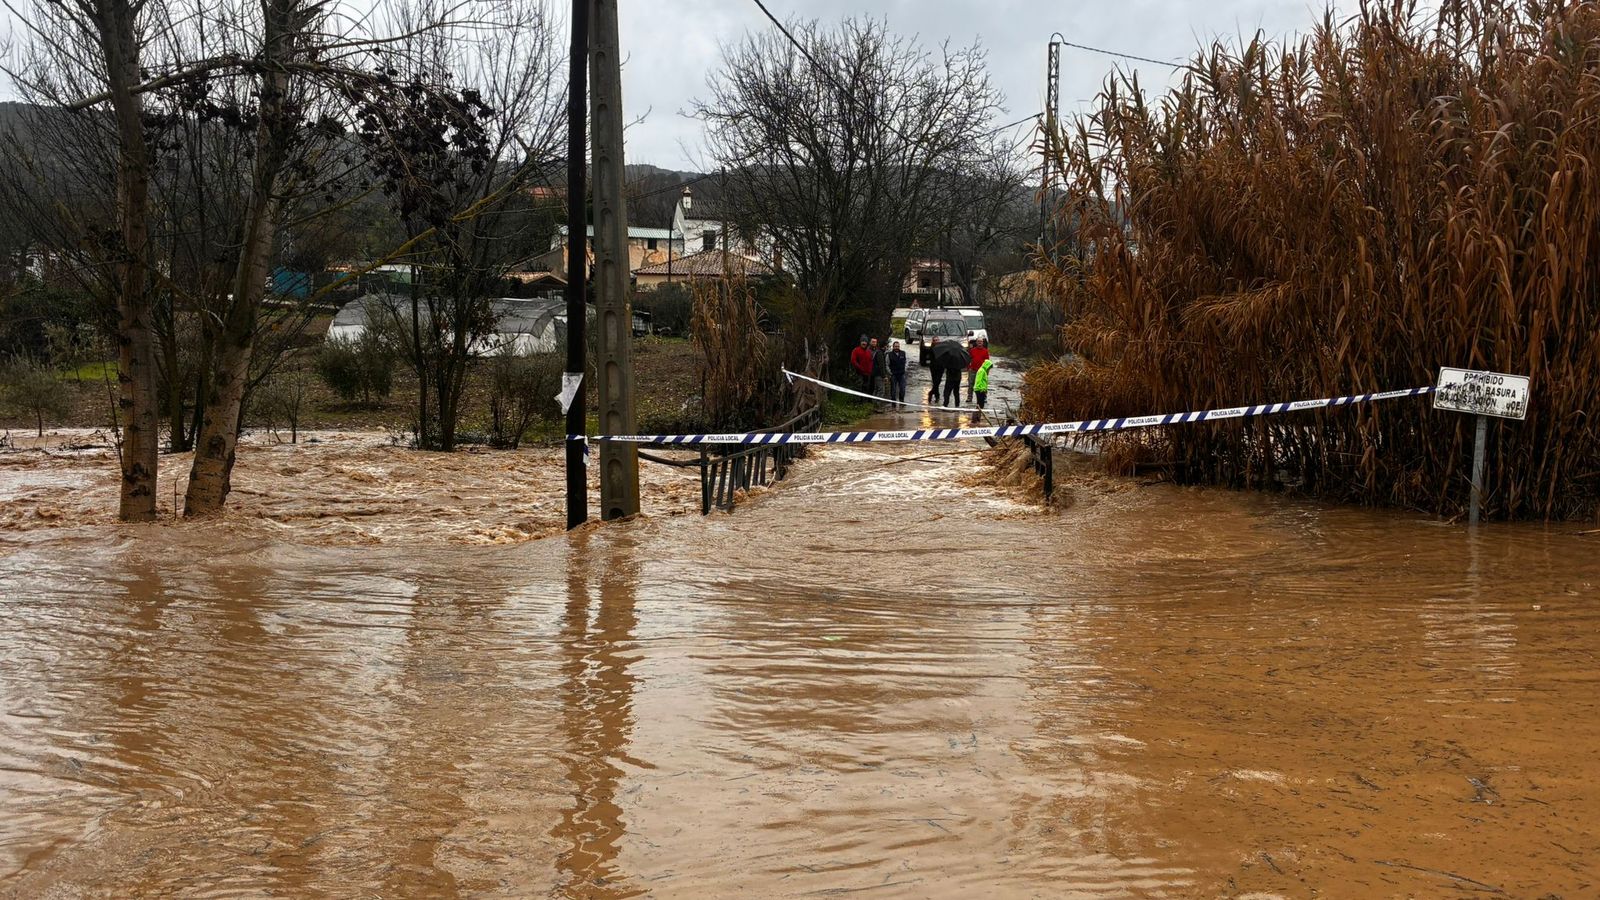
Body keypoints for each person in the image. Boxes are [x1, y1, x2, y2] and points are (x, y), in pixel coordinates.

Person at [941, 341, 969, 409]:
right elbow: (961, 366)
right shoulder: (960, 357)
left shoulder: (948, 357)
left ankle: (945, 404)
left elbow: (944, 365)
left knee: (947, 391)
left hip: (950, 377)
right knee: (956, 391)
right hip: (957, 377)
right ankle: (957, 404)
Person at [926, 337, 944, 404]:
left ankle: (931, 393)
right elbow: (930, 357)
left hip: (941, 367)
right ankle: (937, 396)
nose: (936, 341)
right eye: (935, 340)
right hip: (933, 367)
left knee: (938, 381)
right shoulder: (931, 349)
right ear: (933, 341)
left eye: (937, 340)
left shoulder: (942, 348)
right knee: (935, 382)